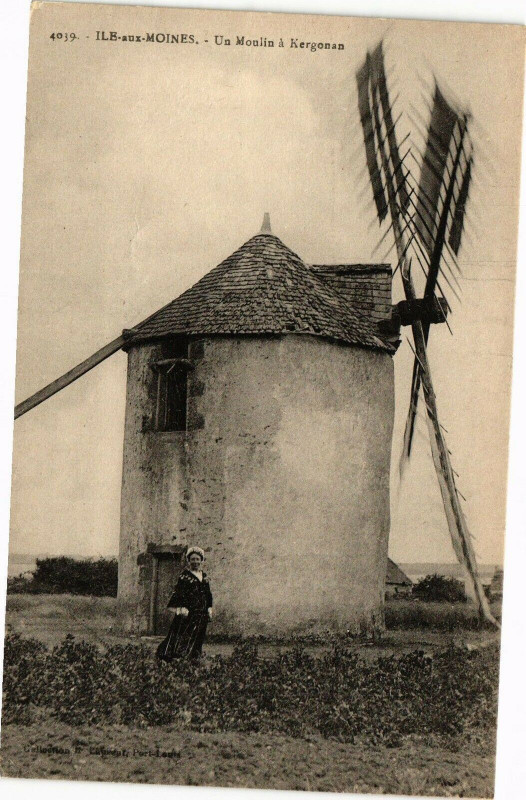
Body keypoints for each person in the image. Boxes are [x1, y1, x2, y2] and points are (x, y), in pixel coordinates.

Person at [156, 546, 213, 661]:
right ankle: (176, 657)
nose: (195, 562)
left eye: (198, 559)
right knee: (184, 635)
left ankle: (194, 658)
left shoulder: (204, 576)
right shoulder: (184, 576)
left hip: (201, 613)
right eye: (193, 559)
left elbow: (208, 593)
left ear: (201, 561)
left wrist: (209, 607)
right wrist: (180, 608)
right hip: (188, 612)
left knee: (198, 636)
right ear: (189, 560)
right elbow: (179, 593)